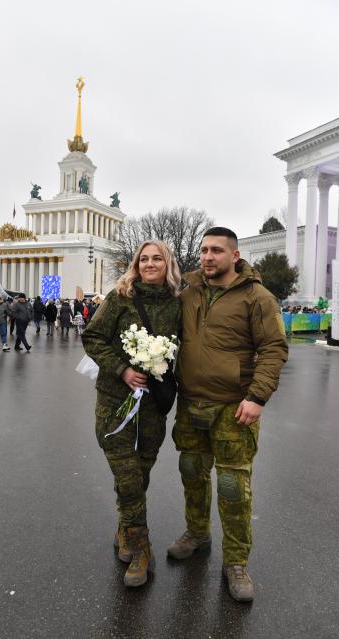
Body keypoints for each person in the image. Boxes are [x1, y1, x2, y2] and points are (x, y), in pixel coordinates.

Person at [168, 227, 288, 602]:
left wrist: (257, 397)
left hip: (234, 406)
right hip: (191, 403)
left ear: (234, 256)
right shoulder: (187, 293)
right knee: (191, 471)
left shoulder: (257, 297)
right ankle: (197, 532)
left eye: (216, 250)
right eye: (203, 250)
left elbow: (273, 348)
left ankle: (236, 561)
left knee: (234, 487)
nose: (207, 256)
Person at [82, 241, 181, 588]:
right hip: (114, 403)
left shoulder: (177, 304)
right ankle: (141, 549)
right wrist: (123, 369)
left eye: (157, 258)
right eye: (144, 259)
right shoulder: (120, 296)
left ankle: (126, 526)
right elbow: (92, 337)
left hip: (154, 405)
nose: (150, 263)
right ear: (136, 264)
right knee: (126, 475)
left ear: (167, 264)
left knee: (140, 473)